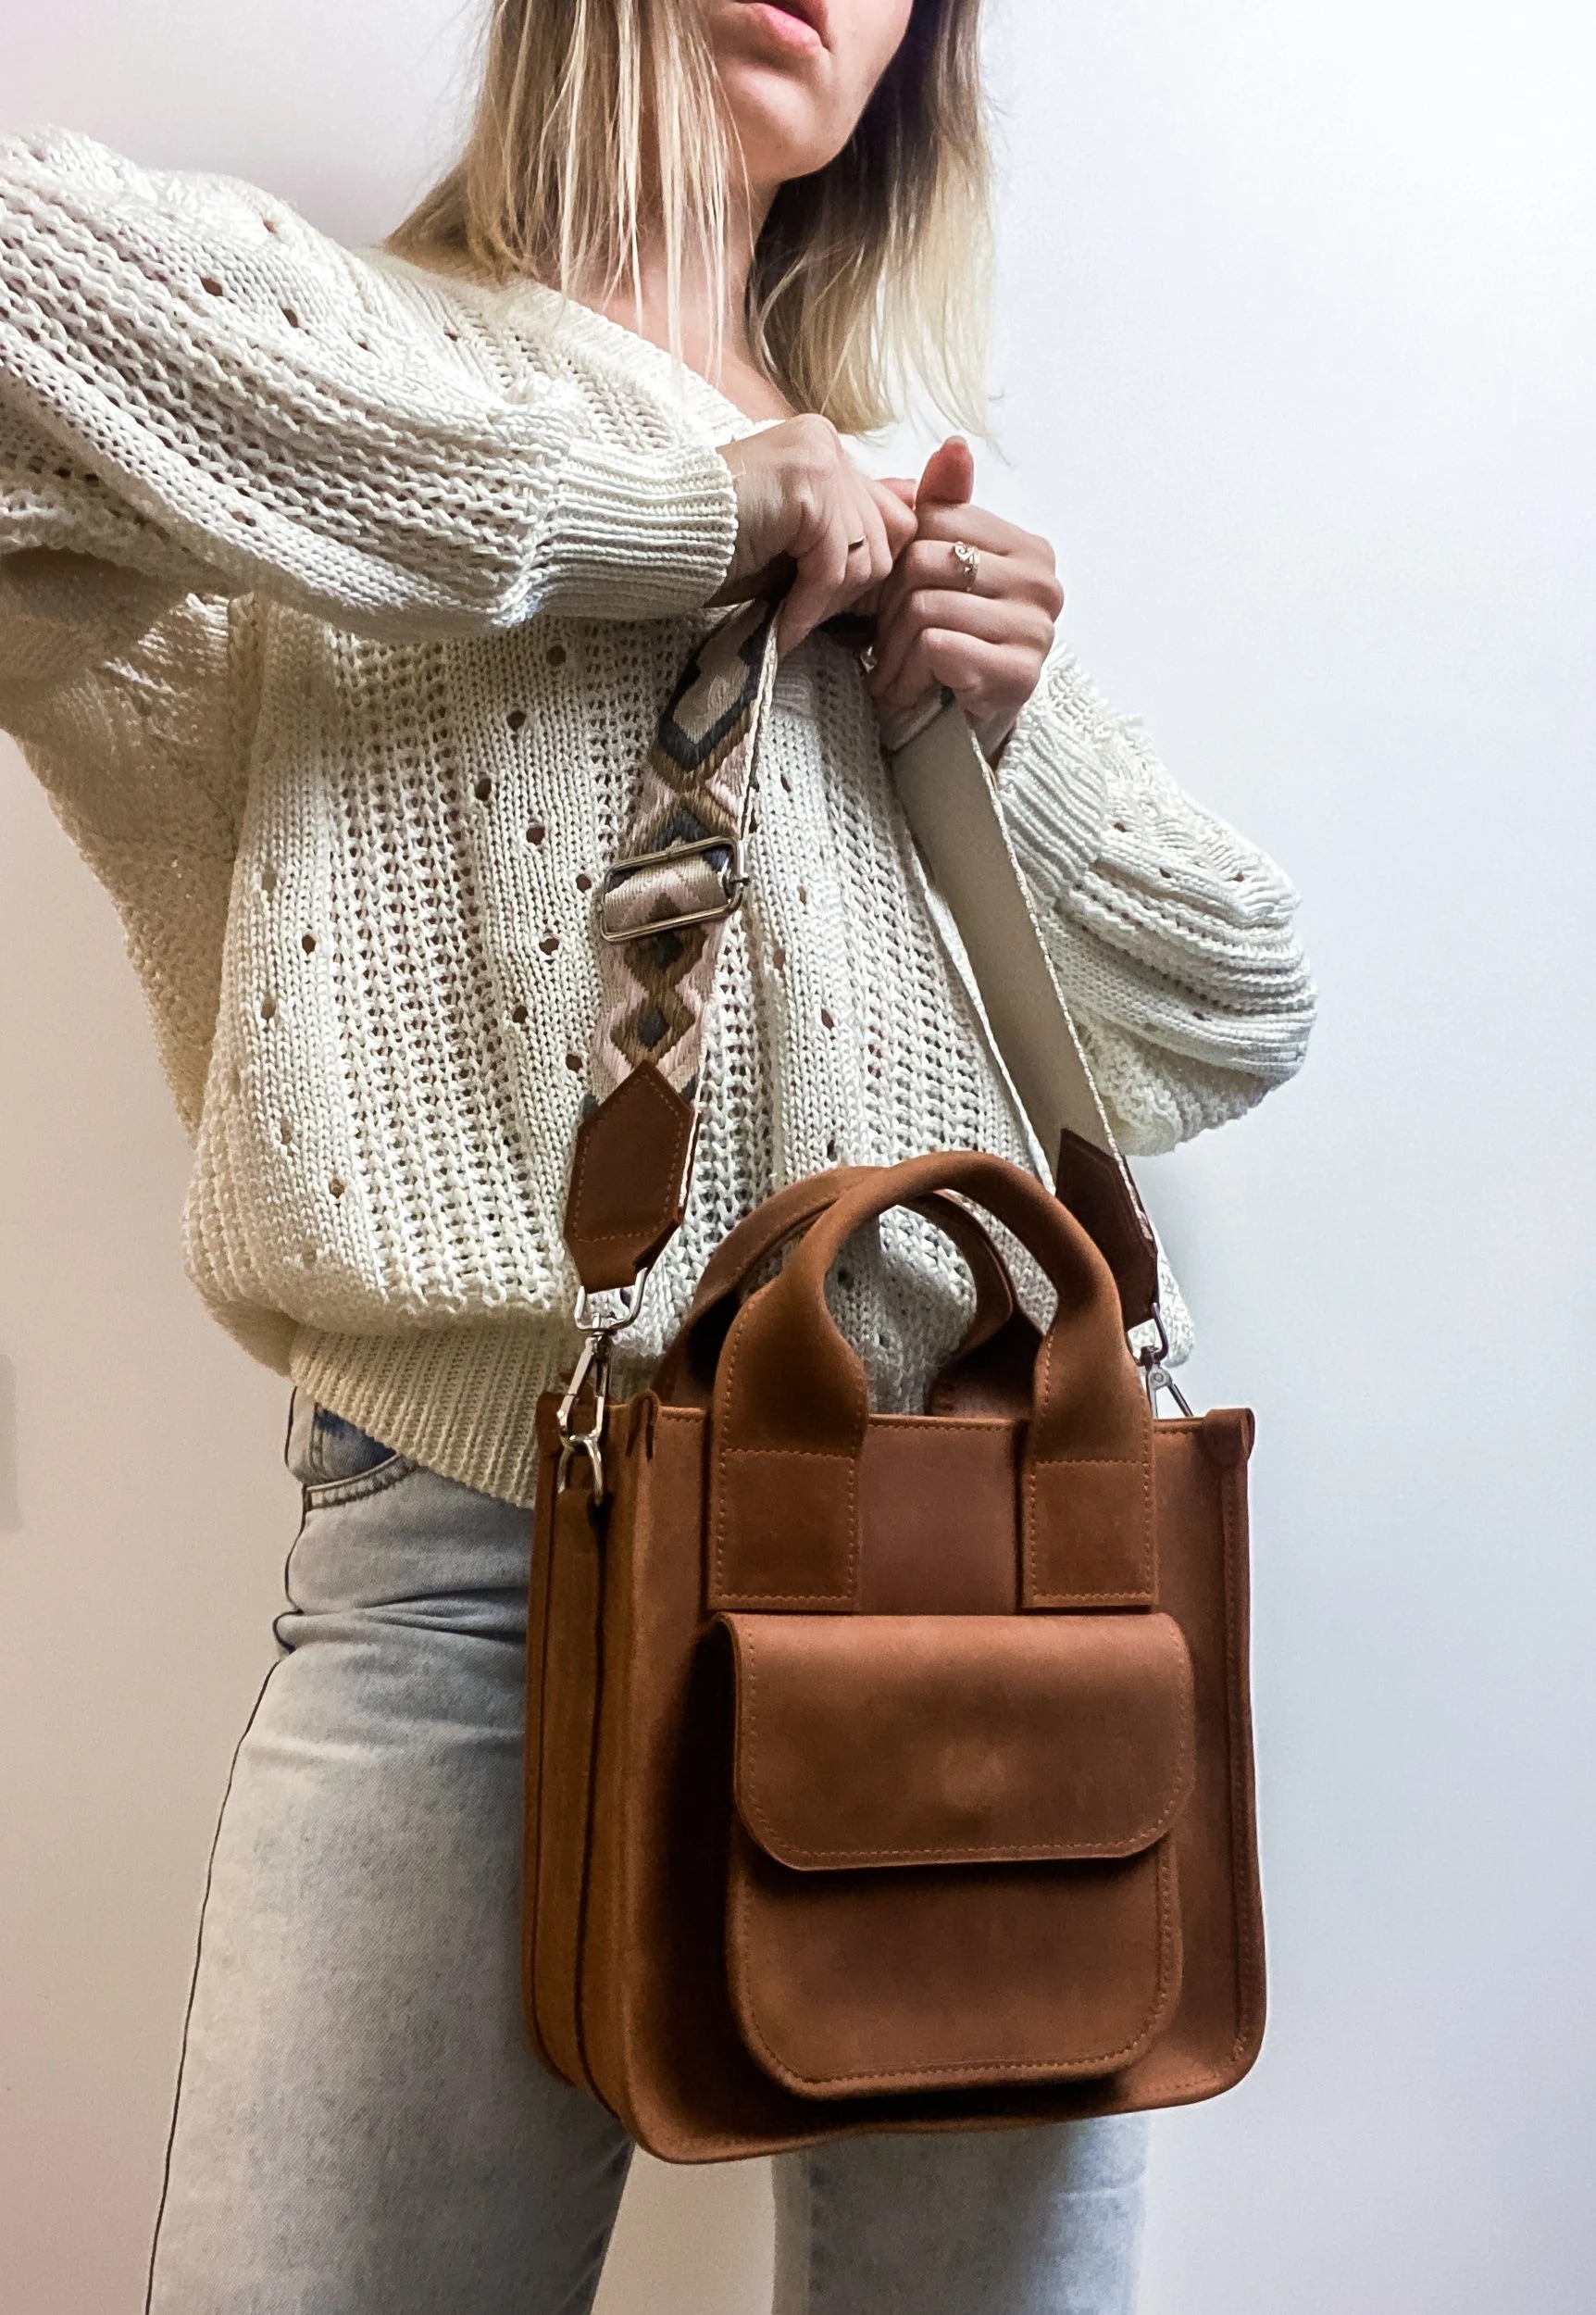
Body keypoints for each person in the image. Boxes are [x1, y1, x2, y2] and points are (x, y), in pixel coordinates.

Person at [0, 2, 1315, 2308]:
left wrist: (996, 730)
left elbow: (1240, 1000)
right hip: (479, 1586)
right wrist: (685, 507)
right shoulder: (323, 376)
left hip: (998, 1597)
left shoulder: (914, 546)